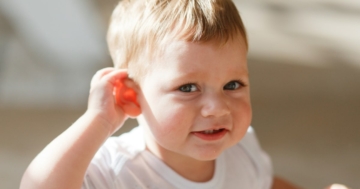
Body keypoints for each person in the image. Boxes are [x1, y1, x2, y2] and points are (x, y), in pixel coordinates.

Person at [20, 0, 311, 188]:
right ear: (131, 97)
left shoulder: (242, 148)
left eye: (232, 85)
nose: (217, 108)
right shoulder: (116, 171)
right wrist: (99, 120)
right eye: (187, 88)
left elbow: (263, 183)